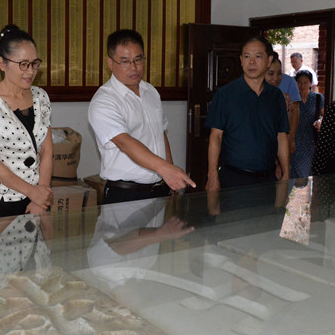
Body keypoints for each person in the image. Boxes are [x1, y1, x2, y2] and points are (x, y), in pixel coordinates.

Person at [88, 29, 195, 205]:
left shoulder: (150, 91)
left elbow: (161, 133)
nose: (133, 67)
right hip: (125, 194)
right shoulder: (104, 101)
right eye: (125, 62)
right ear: (110, 63)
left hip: (159, 189)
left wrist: (169, 172)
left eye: (138, 60)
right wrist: (166, 169)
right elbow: (125, 143)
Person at [0, 25, 53, 219]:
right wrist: (32, 192)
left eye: (34, 63)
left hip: (37, 197)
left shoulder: (41, 97)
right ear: (2, 64)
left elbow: (47, 150)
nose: (30, 71)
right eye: (23, 64)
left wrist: (41, 195)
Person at [205, 35, 290, 191]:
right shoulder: (225, 95)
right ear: (241, 60)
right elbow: (215, 137)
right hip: (234, 179)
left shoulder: (276, 96)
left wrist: (286, 173)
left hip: (268, 179)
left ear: (269, 60)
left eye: (258, 56)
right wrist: (212, 175)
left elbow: (281, 136)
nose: (251, 62)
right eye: (246, 56)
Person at [291, 70, 324, 178]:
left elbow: (324, 116)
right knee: (291, 174)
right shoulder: (291, 98)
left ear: (310, 83)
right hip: (293, 139)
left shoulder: (317, 98)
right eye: (299, 83)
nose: (302, 86)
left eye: (305, 83)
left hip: (310, 141)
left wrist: (320, 121)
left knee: (306, 173)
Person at [266, 52, 300, 156]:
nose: (275, 78)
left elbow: (294, 111)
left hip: (281, 138)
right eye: (271, 73)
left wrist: (291, 138)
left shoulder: (286, 93)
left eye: (279, 73)